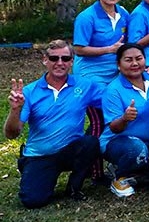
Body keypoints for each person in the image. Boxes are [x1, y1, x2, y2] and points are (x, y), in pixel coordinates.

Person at [5, 40, 103, 207]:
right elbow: (11, 134)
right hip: (40, 155)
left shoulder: (85, 85)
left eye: (65, 58)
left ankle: (74, 186)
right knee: (32, 201)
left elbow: (114, 96)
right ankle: (30, 167)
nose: (60, 63)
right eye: (54, 58)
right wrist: (15, 110)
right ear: (45, 60)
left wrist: (143, 74)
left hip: (70, 150)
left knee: (91, 143)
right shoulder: (29, 92)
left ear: (71, 61)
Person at [101, 43, 149, 197]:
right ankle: (119, 176)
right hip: (120, 141)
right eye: (128, 60)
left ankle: (137, 169)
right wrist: (124, 118)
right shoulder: (113, 90)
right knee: (138, 150)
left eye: (139, 58)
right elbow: (114, 128)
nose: (135, 63)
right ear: (118, 65)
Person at [72, 0, 130, 85]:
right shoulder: (86, 17)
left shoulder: (124, 14)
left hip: (119, 70)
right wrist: (109, 49)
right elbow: (78, 50)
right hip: (92, 72)